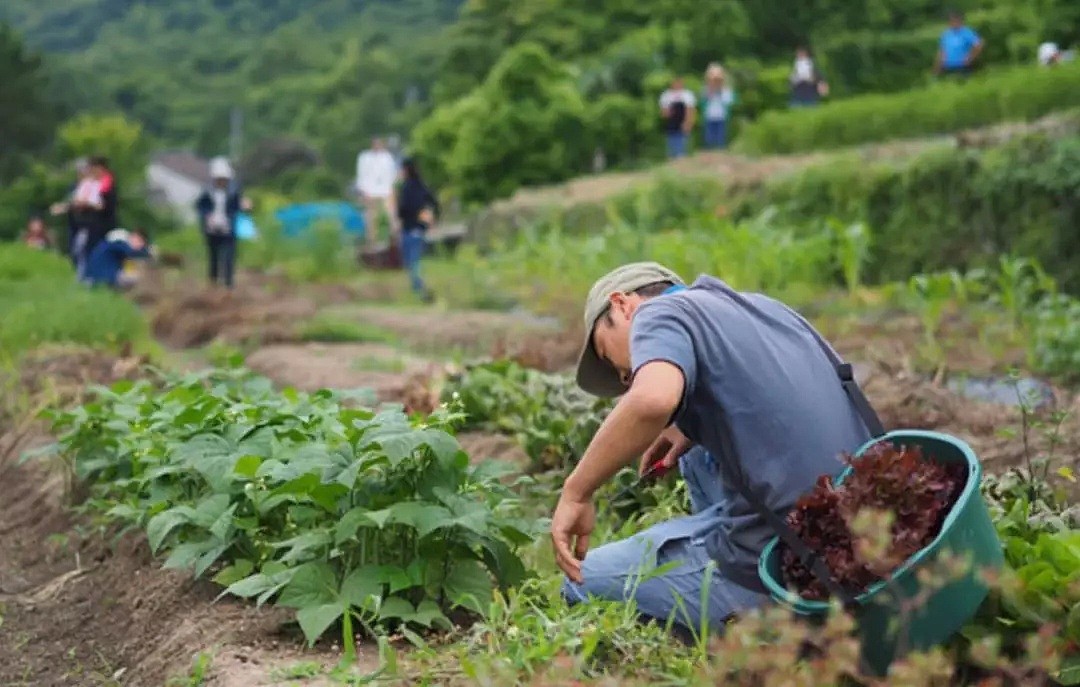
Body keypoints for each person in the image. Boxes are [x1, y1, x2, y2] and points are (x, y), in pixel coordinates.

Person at [552, 262, 879, 635]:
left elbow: (652, 400)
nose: (626, 377)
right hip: (859, 535)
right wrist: (689, 427)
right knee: (689, 444)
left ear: (622, 305)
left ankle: (736, 588)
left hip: (790, 572)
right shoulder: (759, 308)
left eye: (609, 357)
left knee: (581, 582)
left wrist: (577, 492)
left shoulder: (657, 314)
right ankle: (709, 544)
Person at [195, 157, 249, 289]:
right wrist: (207, 216)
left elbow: (238, 206)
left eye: (224, 179)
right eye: (219, 179)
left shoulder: (233, 191)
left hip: (228, 229)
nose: (222, 181)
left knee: (229, 256)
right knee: (213, 256)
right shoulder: (206, 192)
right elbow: (200, 207)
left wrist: (244, 206)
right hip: (212, 229)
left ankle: (229, 284)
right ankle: (213, 283)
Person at [396, 157, 440, 303]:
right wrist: (429, 219)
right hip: (420, 229)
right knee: (414, 260)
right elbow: (434, 204)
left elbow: (403, 209)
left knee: (411, 261)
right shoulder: (422, 186)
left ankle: (419, 289)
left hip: (409, 228)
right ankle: (418, 288)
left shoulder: (407, 188)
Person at [356, 137, 400, 248]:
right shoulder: (364, 157)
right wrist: (363, 190)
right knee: (371, 216)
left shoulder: (387, 157)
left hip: (386, 188)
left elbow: (392, 173)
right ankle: (371, 240)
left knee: (391, 213)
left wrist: (392, 188)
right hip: (370, 189)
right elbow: (361, 174)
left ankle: (395, 237)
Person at [83, 228, 152, 289]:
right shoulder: (120, 241)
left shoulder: (113, 240)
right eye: (140, 243)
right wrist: (149, 252)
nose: (139, 246)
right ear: (136, 237)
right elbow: (132, 253)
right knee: (139, 277)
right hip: (104, 278)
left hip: (95, 277)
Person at [934, 10, 983, 78]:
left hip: (962, 66)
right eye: (951, 21)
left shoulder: (967, 32)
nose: (953, 23)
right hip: (947, 67)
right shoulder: (946, 34)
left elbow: (979, 44)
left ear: (960, 21)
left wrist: (970, 57)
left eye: (955, 21)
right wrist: (938, 66)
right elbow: (942, 51)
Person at [659, 77, 697, 159]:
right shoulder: (666, 95)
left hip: (683, 119)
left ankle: (681, 155)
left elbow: (691, 109)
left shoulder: (687, 94)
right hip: (671, 121)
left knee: (682, 138)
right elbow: (663, 111)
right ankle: (672, 155)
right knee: (671, 137)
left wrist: (689, 121)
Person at [700, 63, 736, 150]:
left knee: (721, 137)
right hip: (709, 116)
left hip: (721, 116)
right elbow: (703, 101)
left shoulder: (726, 90)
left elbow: (729, 101)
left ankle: (720, 151)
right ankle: (709, 152)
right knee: (709, 137)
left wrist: (719, 92)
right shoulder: (705, 89)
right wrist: (711, 91)